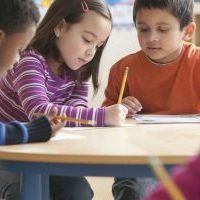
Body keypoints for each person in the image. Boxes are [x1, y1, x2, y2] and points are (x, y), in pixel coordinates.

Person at [0, 0, 128, 199]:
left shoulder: (79, 69)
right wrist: (102, 115)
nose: (91, 52)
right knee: (21, 192)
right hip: (9, 150)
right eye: (87, 40)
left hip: (48, 150)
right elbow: (39, 112)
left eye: (98, 45)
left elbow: (77, 108)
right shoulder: (28, 60)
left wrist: (95, 116)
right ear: (60, 27)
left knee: (79, 192)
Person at [102, 0, 199, 199]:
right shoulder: (122, 69)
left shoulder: (197, 64)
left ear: (187, 31)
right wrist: (119, 110)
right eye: (143, 29)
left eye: (162, 30)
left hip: (190, 159)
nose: (152, 38)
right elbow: (104, 121)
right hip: (139, 160)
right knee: (134, 192)